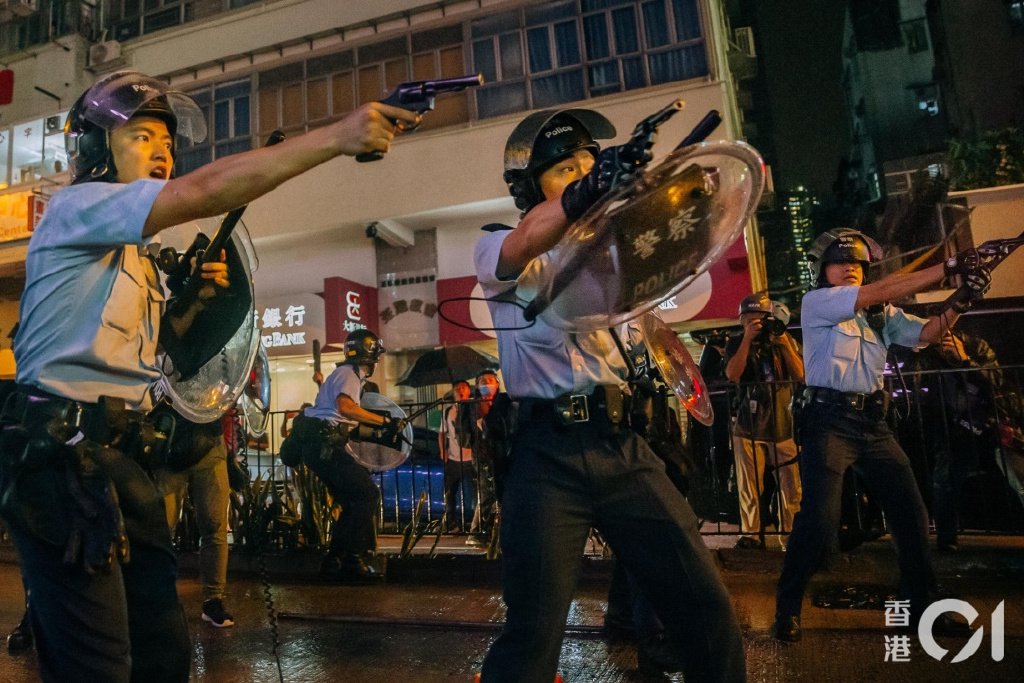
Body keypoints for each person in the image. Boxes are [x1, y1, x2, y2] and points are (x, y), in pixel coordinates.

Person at [0, 70, 417, 682]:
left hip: (120, 461)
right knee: (99, 665)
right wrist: (336, 136)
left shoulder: (132, 252)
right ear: (93, 148)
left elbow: (158, 357)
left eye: (167, 142)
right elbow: (209, 188)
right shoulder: (76, 207)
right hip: (63, 465)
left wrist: (192, 302)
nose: (162, 150)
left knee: (163, 655)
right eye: (141, 136)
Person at [474, 107, 745, 682]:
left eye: (589, 163)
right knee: (533, 635)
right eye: (563, 170)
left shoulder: (620, 252)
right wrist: (591, 189)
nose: (581, 174)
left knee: (706, 609)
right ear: (530, 189)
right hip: (545, 455)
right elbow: (521, 242)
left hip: (624, 446)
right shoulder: (500, 243)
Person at [772, 228, 990, 642]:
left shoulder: (879, 313)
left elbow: (927, 334)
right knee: (819, 523)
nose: (850, 269)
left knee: (911, 516)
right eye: (841, 263)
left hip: (873, 425)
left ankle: (920, 609)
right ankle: (787, 608)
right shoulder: (817, 303)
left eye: (856, 264)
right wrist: (947, 268)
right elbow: (881, 289)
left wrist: (962, 299)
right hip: (828, 421)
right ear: (824, 271)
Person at [297, 329, 400, 581]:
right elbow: (346, 407)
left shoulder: (344, 374)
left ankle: (335, 562)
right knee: (367, 494)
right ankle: (351, 560)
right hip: (325, 446)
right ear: (370, 356)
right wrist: (383, 421)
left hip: (320, 446)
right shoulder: (349, 373)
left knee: (352, 501)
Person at [724, 293, 804, 549]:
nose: (756, 322)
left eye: (760, 317)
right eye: (750, 318)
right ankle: (751, 535)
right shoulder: (736, 343)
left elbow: (801, 375)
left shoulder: (783, 339)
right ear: (741, 320)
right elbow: (733, 374)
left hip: (783, 422)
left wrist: (782, 342)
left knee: (791, 487)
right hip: (748, 424)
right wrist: (748, 339)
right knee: (749, 486)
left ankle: (790, 537)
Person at [153, 412, 234, 627]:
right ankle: (162, 599)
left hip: (207, 442)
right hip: (171, 442)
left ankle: (213, 600)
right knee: (161, 528)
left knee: (214, 523)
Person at [464, 370, 504, 548]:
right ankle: (478, 532)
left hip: (500, 453)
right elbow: (473, 431)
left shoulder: (502, 402)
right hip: (482, 454)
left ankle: (496, 533)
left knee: (500, 493)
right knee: (487, 493)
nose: (487, 384)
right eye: (483, 381)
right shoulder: (474, 405)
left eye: (490, 380)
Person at [439, 380, 475, 533]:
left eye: (463, 388)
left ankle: (476, 525)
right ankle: (452, 523)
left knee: (476, 493)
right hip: (453, 459)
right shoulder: (448, 411)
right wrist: (443, 450)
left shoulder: (474, 408)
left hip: (471, 459)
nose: (460, 391)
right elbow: (441, 433)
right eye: (457, 389)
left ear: (468, 392)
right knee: (449, 493)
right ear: (453, 393)